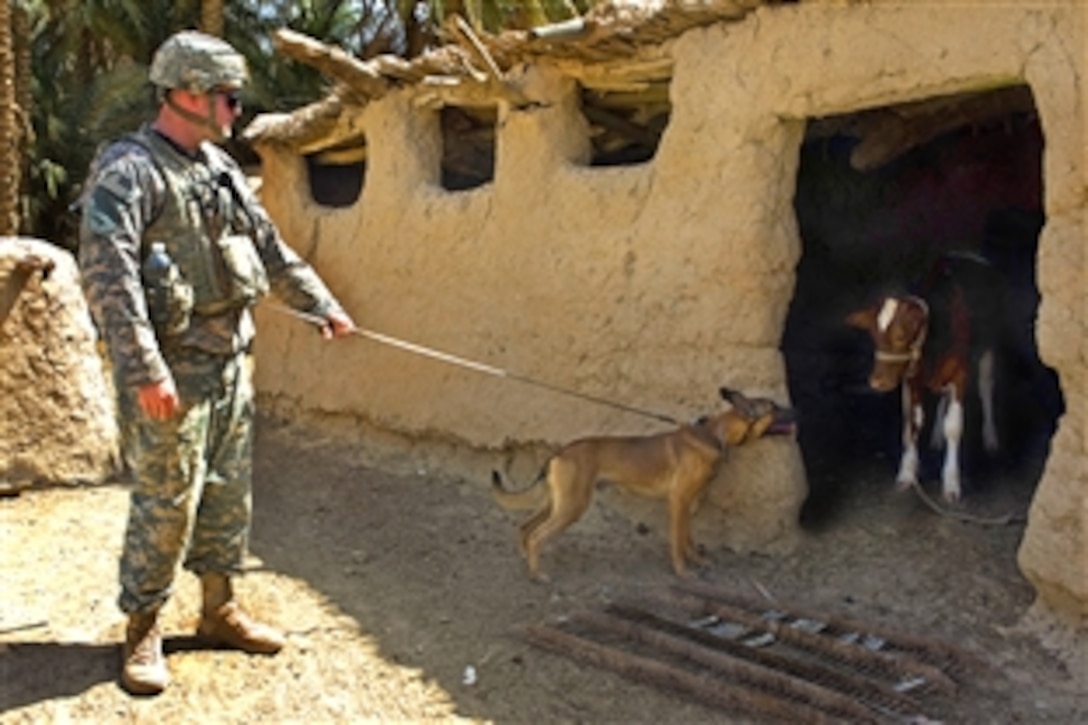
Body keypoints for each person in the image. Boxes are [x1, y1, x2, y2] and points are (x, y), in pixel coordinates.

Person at [78, 30, 356, 695]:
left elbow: (270, 249)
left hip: (231, 359)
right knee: (165, 500)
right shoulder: (129, 170)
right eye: (228, 97)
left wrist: (321, 304)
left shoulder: (220, 169)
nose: (236, 110)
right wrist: (143, 367)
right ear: (187, 94)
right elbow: (107, 274)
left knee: (228, 493)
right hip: (170, 368)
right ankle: (142, 625)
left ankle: (218, 608)